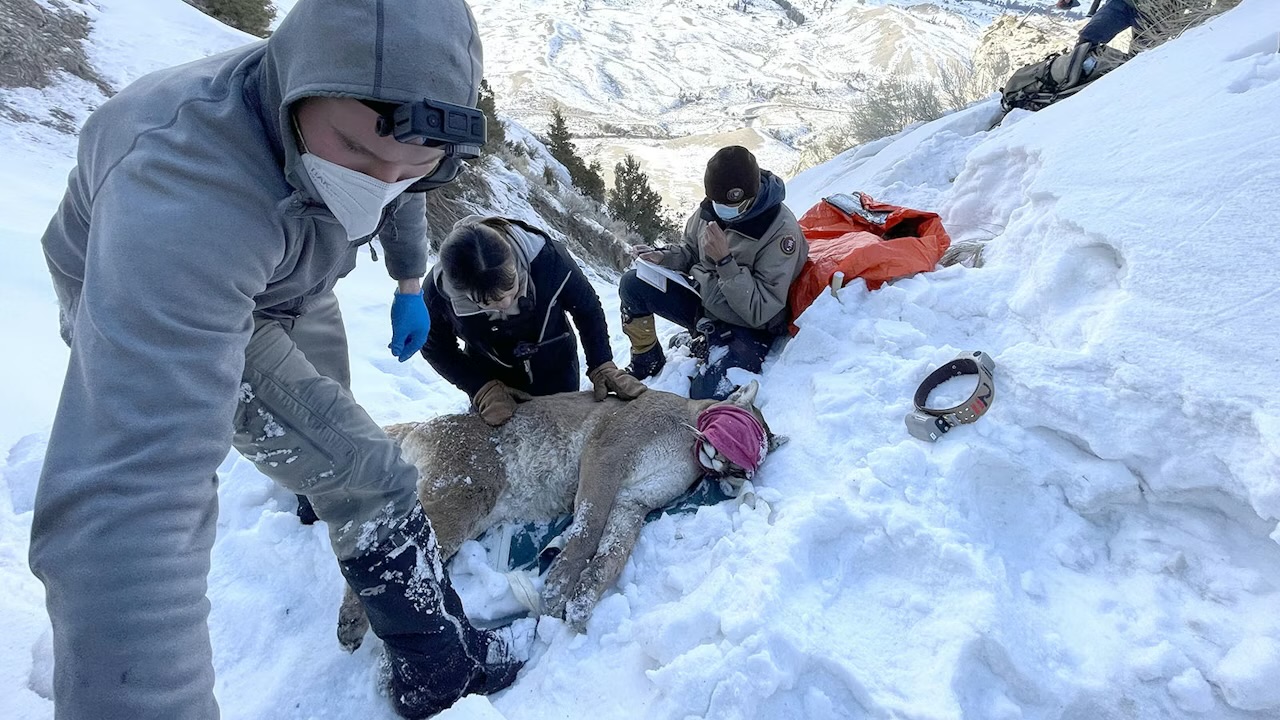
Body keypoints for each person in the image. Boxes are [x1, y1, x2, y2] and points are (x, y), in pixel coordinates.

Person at [30, 1, 521, 718]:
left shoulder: (373, 135)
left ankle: (318, 494)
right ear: (294, 86)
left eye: (412, 164)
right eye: (356, 152)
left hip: (287, 274)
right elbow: (127, 507)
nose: (381, 179)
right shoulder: (184, 194)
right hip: (168, 287)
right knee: (368, 473)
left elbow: (403, 180)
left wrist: (410, 280)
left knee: (332, 425)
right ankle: (436, 665)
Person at [617, 146, 808, 400]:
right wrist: (664, 257)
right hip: (706, 300)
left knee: (707, 393)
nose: (723, 210)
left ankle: (709, 341)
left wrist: (725, 261)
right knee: (633, 283)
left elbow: (762, 310)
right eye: (718, 202)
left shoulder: (779, 231)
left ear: (752, 195)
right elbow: (690, 251)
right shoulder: (711, 209)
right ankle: (647, 360)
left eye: (734, 205)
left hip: (747, 326)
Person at [421, 216, 646, 424]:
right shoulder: (437, 294)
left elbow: (587, 309)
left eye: (512, 288)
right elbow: (434, 346)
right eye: (489, 303)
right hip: (491, 378)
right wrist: (480, 387)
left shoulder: (549, 260)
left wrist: (601, 363)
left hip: (556, 364)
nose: (507, 303)